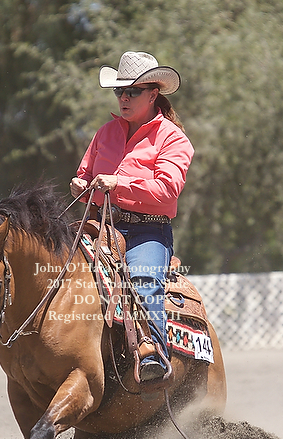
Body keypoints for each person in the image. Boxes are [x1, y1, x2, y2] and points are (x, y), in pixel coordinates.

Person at [70, 51, 194, 382]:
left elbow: (167, 191)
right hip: (101, 225)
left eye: (132, 91)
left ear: (153, 94)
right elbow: (85, 176)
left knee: (143, 281)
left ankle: (154, 356)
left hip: (147, 232)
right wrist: (79, 185)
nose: (123, 97)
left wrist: (119, 183)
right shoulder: (105, 133)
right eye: (119, 91)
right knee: (57, 268)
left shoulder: (173, 138)